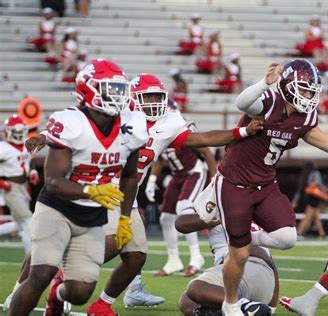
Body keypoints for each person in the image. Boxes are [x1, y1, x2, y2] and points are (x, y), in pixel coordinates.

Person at [15, 73, 263, 315]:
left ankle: (101, 304)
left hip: (123, 197)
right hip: (88, 189)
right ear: (133, 98)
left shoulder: (169, 122)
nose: (154, 104)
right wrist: (43, 136)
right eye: (148, 97)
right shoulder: (119, 115)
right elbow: (76, 125)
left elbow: (204, 138)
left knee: (136, 256)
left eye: (158, 98)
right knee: (95, 246)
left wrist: (242, 132)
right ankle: (44, 279)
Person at [204, 59, 328, 315]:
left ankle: (241, 236)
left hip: (265, 182)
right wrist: (264, 83)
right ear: (288, 84)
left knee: (287, 237)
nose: (308, 96)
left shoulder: (306, 118)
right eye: (304, 89)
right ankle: (230, 304)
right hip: (234, 182)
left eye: (311, 91)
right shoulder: (268, 101)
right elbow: (242, 103)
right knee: (238, 256)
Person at [7, 59, 148, 316]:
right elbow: (53, 181)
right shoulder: (71, 122)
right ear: (88, 90)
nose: (116, 95)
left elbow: (129, 177)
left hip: (94, 215)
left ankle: (57, 296)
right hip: (57, 208)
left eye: (119, 89)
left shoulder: (133, 124)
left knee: (80, 292)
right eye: (109, 89)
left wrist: (124, 219)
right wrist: (90, 190)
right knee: (42, 273)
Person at [149, 119, 216, 277]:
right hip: (177, 176)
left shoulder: (182, 126)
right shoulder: (155, 130)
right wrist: (151, 181)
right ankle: (173, 260)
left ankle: (196, 257)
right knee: (165, 218)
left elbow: (206, 152)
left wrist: (214, 176)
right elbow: (158, 159)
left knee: (183, 208)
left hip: (194, 172)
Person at [175, 214, 276, 316]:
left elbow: (180, 223)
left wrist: (211, 217)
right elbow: (270, 261)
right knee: (187, 302)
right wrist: (272, 305)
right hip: (261, 279)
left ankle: (243, 306)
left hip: (246, 265)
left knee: (196, 288)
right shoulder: (252, 211)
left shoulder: (226, 207)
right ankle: (241, 308)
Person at [0, 115, 40, 253]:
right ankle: (32, 259)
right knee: (28, 223)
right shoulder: (3, 148)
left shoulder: (27, 145)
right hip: (11, 188)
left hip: (24, 187)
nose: (18, 135)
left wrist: (33, 172)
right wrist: (2, 183)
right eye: (15, 132)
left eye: (20, 132)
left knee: (19, 224)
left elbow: (30, 161)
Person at [292, 162, 328, 238]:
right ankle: (299, 233)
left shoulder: (306, 175)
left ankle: (322, 234)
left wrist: (295, 201)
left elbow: (300, 190)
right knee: (308, 216)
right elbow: (318, 183)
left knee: (316, 217)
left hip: (309, 196)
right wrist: (324, 189)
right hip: (314, 197)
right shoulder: (316, 173)